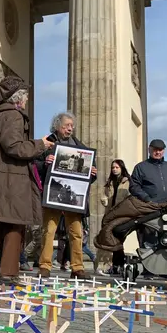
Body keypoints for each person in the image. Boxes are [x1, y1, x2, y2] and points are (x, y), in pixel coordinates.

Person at [0, 77, 52, 284]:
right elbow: (14, 146)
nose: (26, 101)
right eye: (25, 97)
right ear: (18, 98)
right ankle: (8, 273)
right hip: (11, 179)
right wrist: (40, 145)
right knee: (15, 225)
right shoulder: (14, 117)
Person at [37, 112, 96, 280]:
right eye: (66, 126)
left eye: (72, 126)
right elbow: (34, 164)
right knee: (49, 230)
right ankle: (44, 266)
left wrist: (92, 172)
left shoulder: (80, 146)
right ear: (57, 126)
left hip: (72, 198)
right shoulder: (47, 142)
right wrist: (45, 162)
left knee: (76, 232)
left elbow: (90, 171)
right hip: (52, 194)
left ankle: (77, 268)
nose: (70, 129)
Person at [129, 139, 167, 252]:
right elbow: (134, 186)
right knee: (149, 241)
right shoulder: (141, 167)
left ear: (164, 151)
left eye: (160, 150)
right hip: (149, 209)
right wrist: (147, 199)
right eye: (155, 150)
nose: (158, 152)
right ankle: (149, 268)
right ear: (149, 149)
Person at [98, 159, 130, 275]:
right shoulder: (110, 182)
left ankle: (118, 265)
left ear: (122, 168)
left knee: (118, 240)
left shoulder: (128, 182)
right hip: (110, 214)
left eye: (117, 167)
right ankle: (116, 266)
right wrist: (104, 200)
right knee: (112, 241)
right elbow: (104, 195)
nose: (114, 169)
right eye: (113, 168)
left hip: (122, 215)